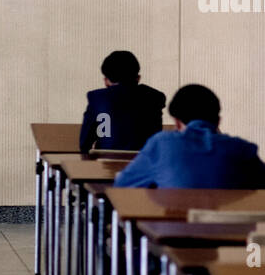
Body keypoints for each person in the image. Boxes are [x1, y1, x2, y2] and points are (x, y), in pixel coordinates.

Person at [114, 84, 265, 188]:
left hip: (171, 232)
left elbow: (122, 184)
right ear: (218, 121)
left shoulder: (161, 144)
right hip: (233, 233)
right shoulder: (243, 150)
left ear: (177, 123)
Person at [79, 51, 165, 156]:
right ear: (138, 78)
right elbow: (156, 138)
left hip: (105, 164)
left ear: (106, 81)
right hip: (143, 163)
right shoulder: (155, 97)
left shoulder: (97, 98)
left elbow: (85, 143)